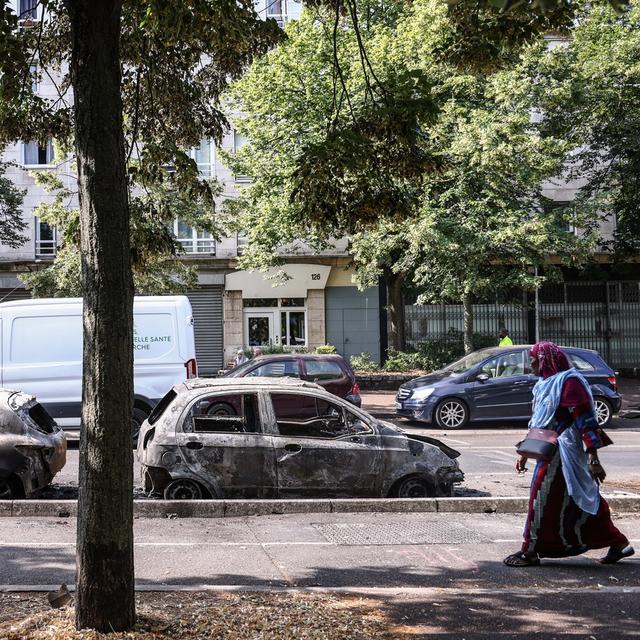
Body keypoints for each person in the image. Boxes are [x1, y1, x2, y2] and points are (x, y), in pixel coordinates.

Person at [504, 341, 634, 567]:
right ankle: (619, 543)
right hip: (550, 449)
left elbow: (585, 421)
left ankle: (531, 549)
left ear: (545, 360)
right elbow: (540, 422)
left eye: (533, 359)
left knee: (542, 497)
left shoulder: (569, 382)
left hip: (566, 452)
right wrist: (524, 453)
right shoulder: (546, 383)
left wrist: (593, 459)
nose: (531, 364)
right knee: (575, 500)